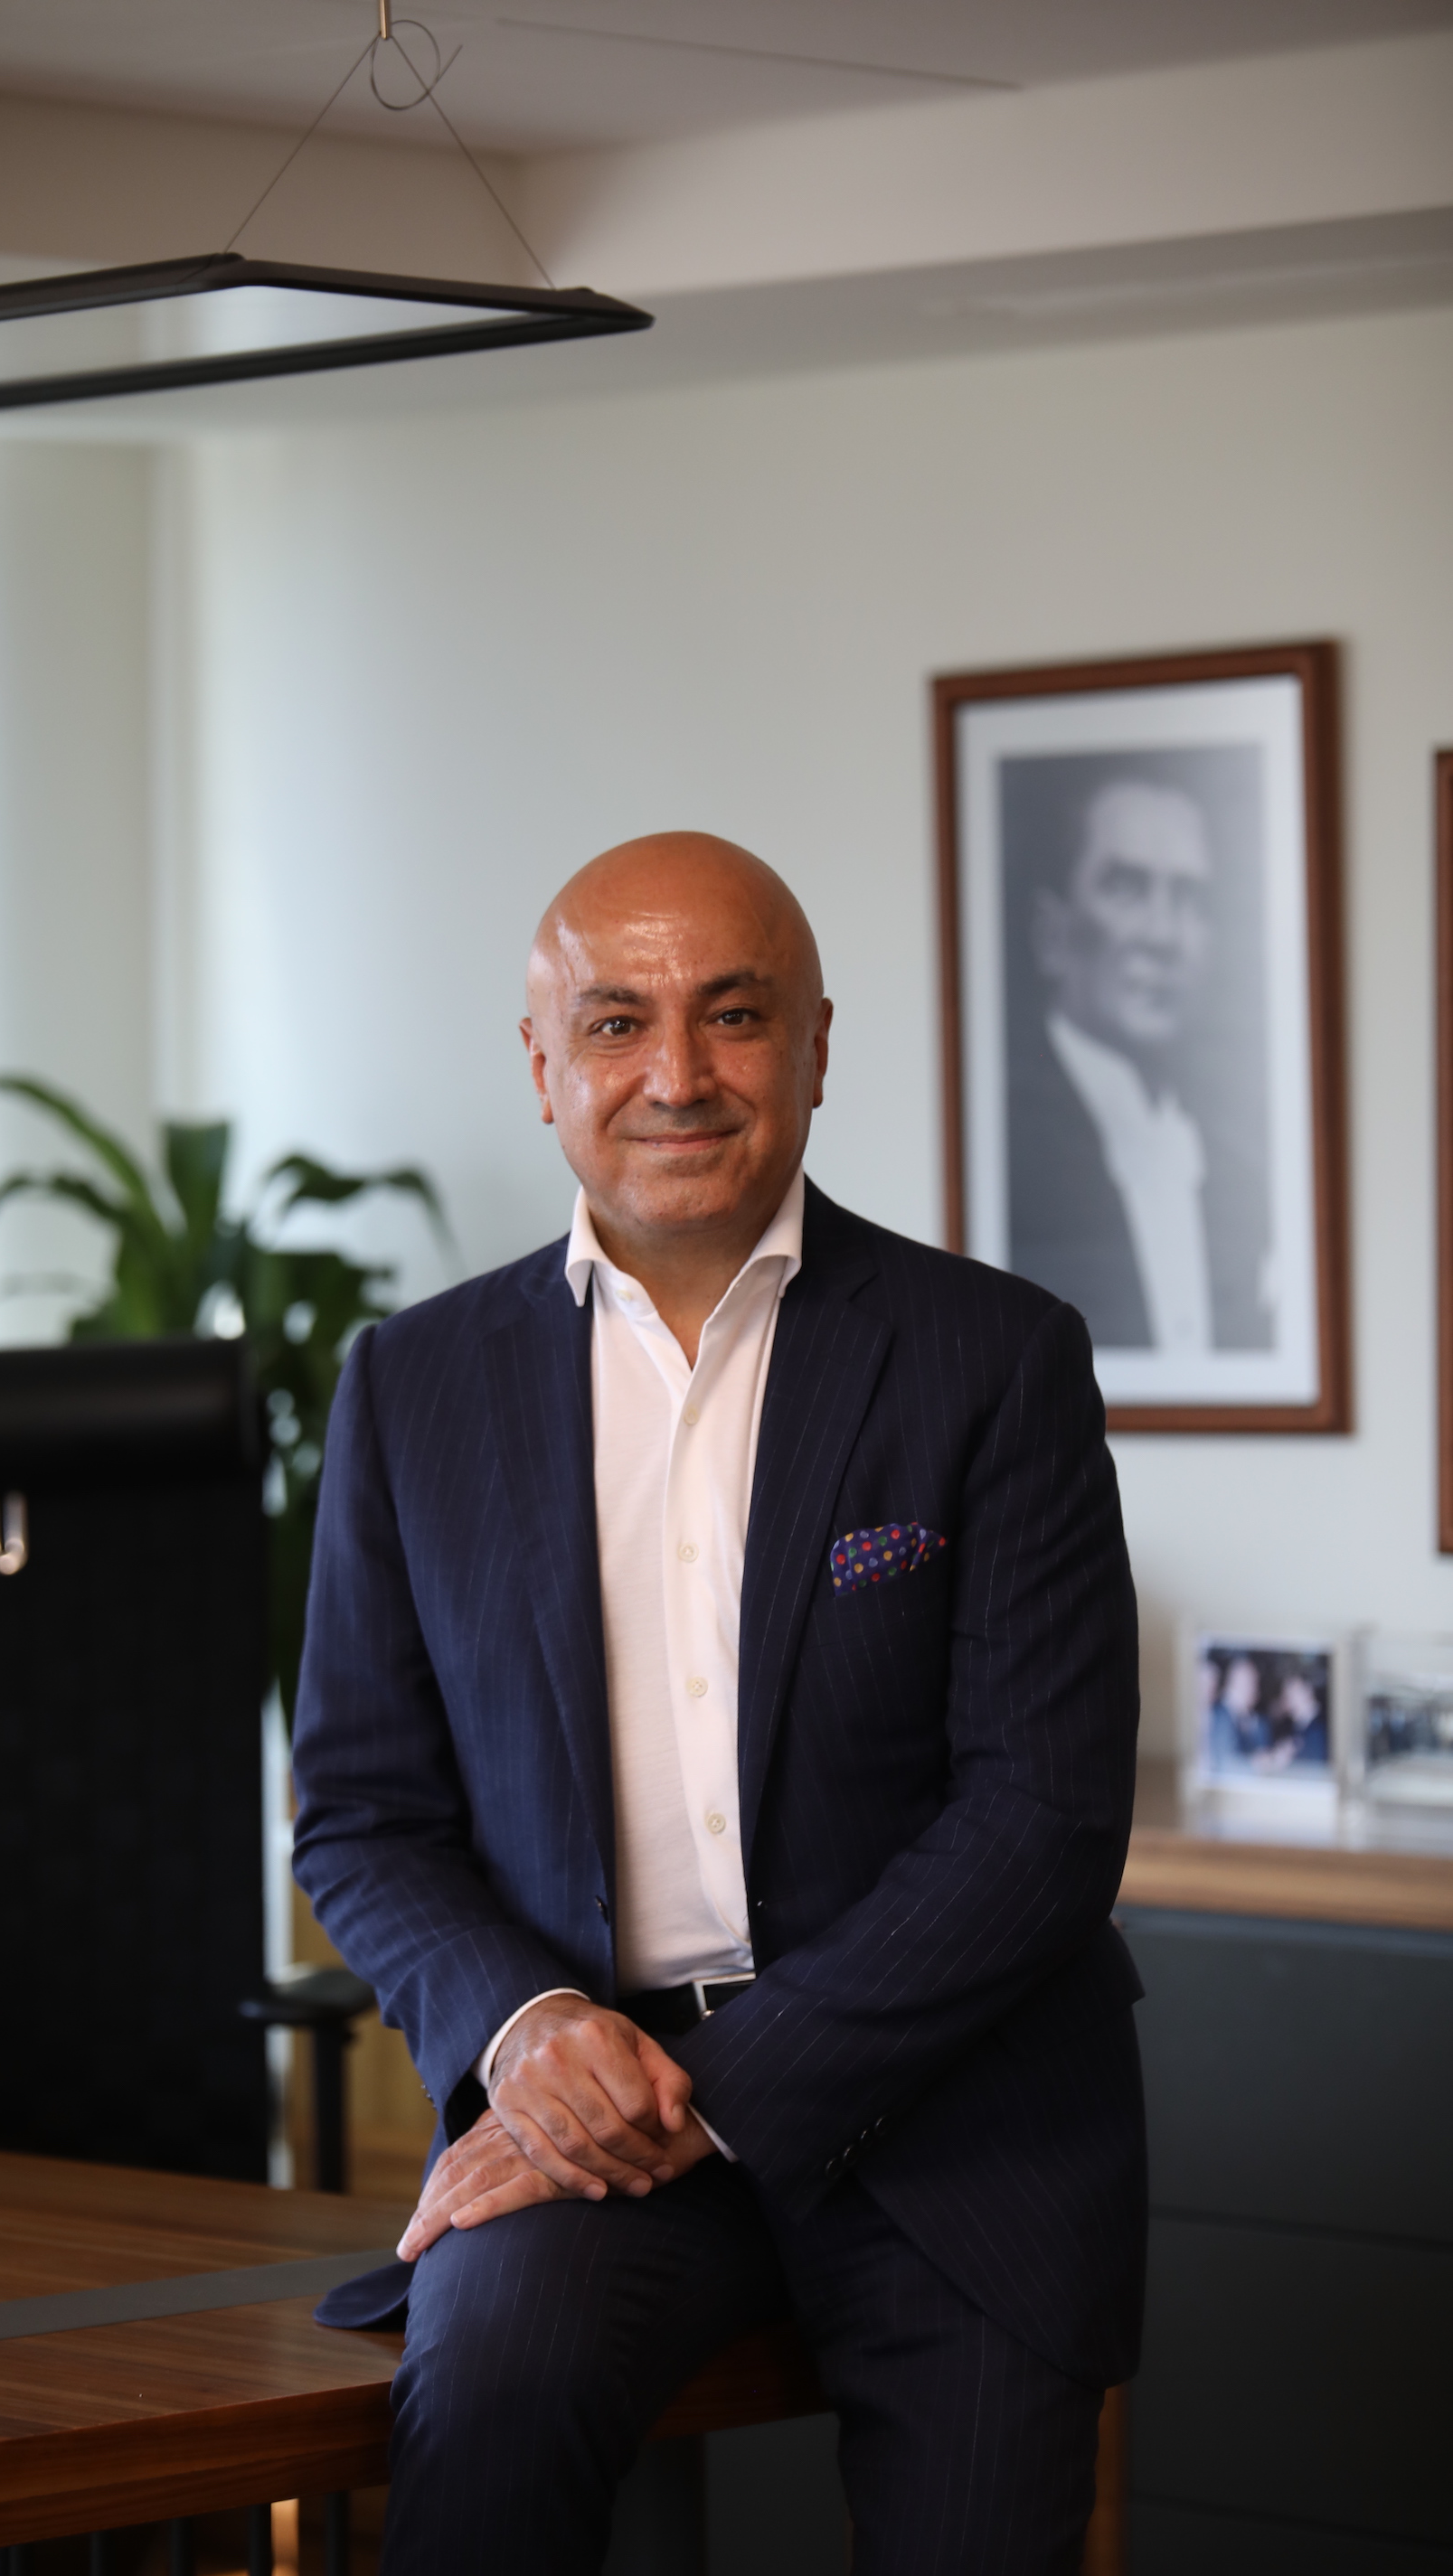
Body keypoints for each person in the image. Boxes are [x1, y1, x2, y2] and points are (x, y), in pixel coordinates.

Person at [294, 832, 1145, 2575]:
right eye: (616, 1023)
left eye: (734, 1016)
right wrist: (529, 2035)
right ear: (542, 1065)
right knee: (479, 2432)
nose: (676, 1075)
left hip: (955, 2121)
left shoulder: (996, 1358)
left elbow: (1043, 1819)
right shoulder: (411, 1386)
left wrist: (722, 2086)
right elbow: (365, 1813)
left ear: (816, 1046)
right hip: (595, 2122)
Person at [1007, 775, 1270, 1352]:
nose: (1164, 935)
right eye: (1126, 888)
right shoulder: (1011, 1156)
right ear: (1052, 934)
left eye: (1188, 898)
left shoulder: (1242, 1172)